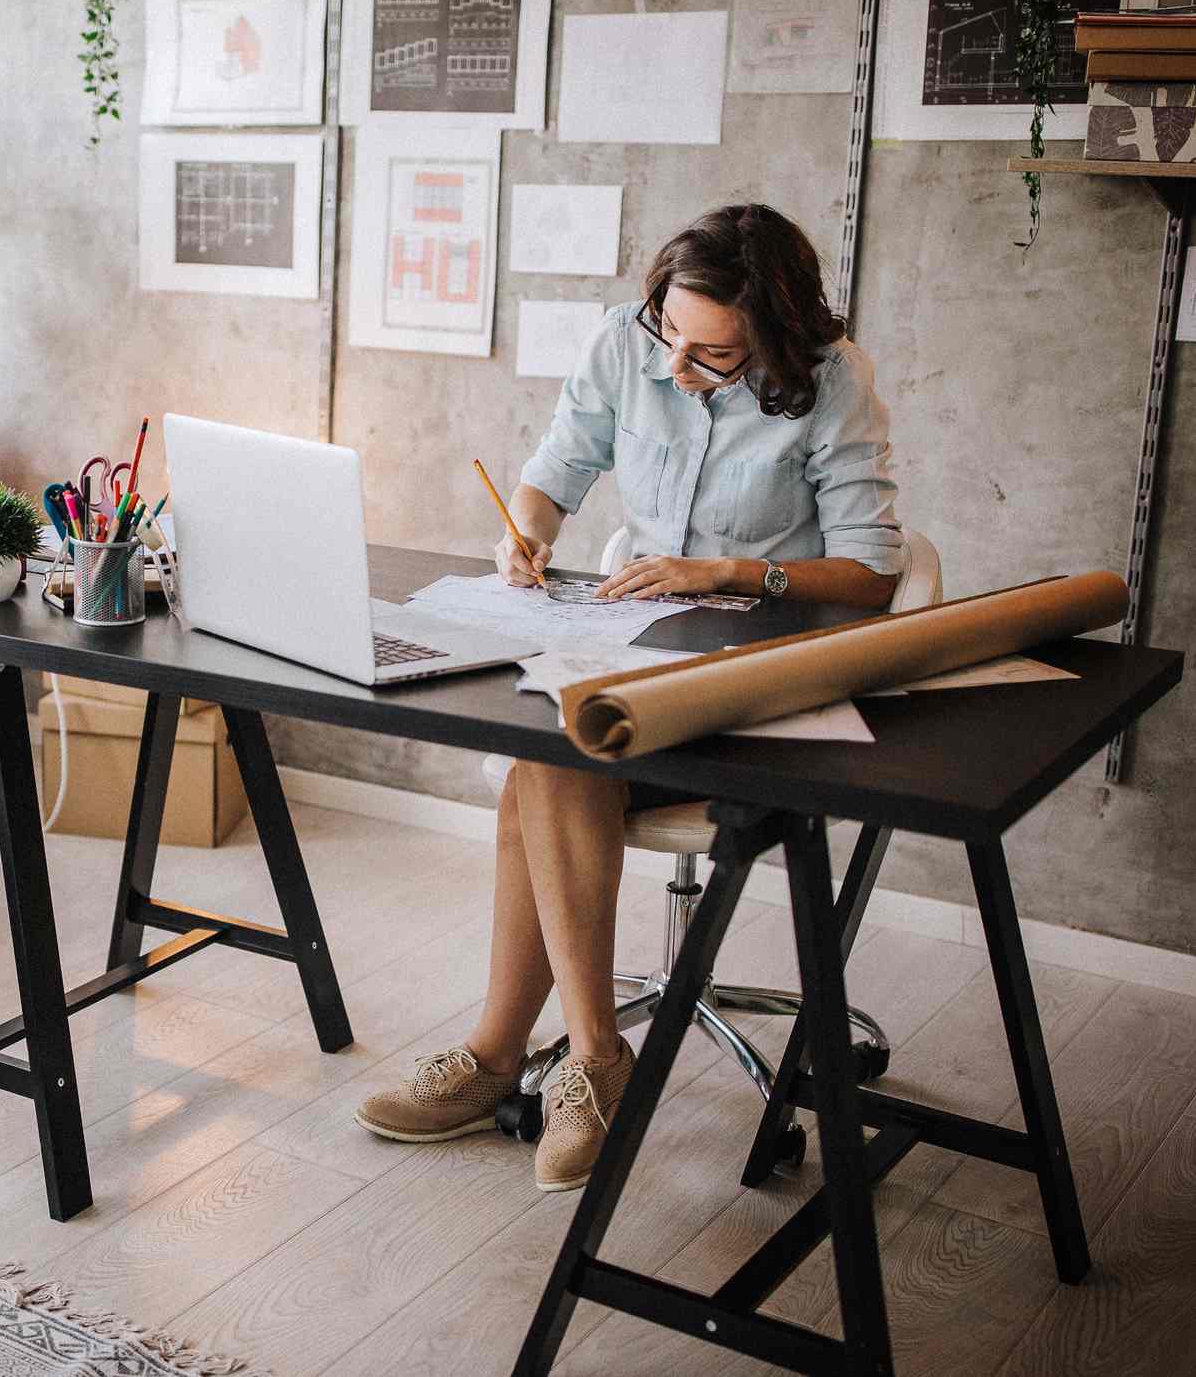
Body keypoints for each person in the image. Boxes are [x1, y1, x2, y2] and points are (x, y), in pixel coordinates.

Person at [356, 203, 905, 1192]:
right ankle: (563, 1056)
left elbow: (871, 575)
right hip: (643, 649)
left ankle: (541, 1055)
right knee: (550, 745)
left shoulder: (835, 381)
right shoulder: (626, 339)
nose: (681, 367)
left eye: (717, 357)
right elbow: (555, 471)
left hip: (766, 677)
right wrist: (523, 534)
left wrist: (726, 569)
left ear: (775, 338)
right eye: (673, 337)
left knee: (560, 752)